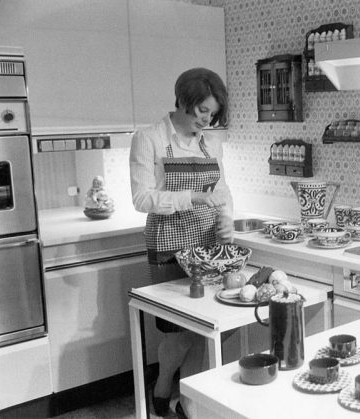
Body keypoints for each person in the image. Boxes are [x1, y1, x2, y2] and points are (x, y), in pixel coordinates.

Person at [129, 67, 234, 418]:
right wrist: (189, 197)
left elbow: (221, 191)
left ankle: (189, 405)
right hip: (169, 245)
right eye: (203, 110)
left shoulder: (209, 142)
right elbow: (142, 199)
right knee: (178, 331)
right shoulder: (149, 139)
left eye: (213, 113)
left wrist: (227, 220)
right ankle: (162, 387)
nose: (207, 119)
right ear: (184, 101)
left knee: (208, 328)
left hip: (206, 244)